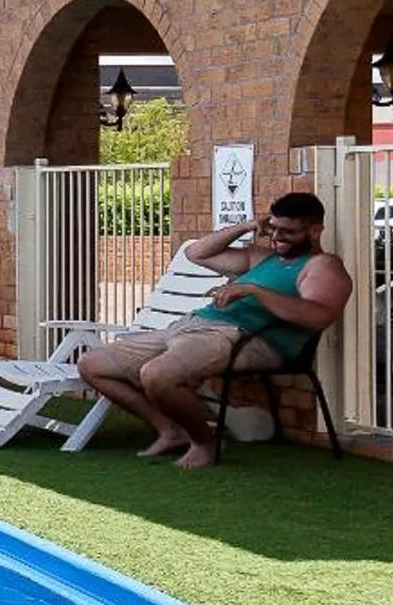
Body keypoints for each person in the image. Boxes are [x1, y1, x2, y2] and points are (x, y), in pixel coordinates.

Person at [75, 193, 349, 469]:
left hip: (244, 337)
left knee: (158, 374)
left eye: (288, 231)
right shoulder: (261, 258)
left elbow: (318, 316)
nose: (277, 237)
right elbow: (196, 253)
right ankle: (171, 430)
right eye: (274, 228)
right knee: (91, 364)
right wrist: (248, 226)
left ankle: (205, 442)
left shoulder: (322, 266)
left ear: (315, 231)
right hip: (192, 326)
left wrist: (252, 290)